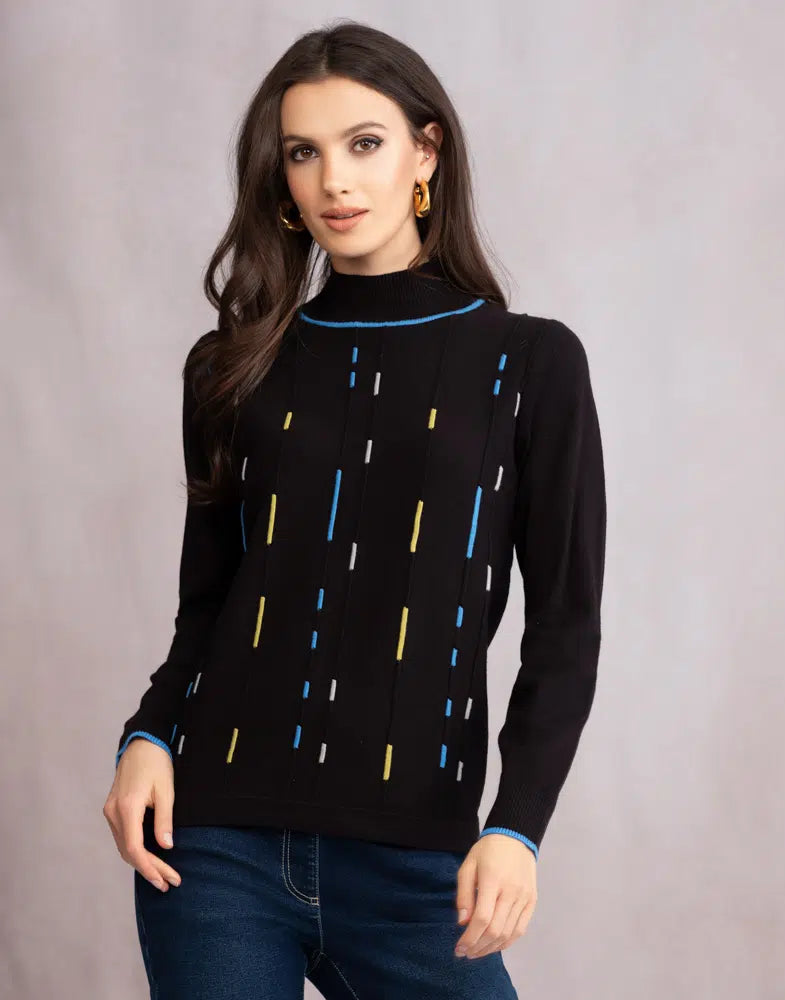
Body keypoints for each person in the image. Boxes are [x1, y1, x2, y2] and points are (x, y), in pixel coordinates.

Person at [102, 19, 606, 1000]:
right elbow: (209, 604)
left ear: (426, 152)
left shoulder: (530, 364)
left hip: (414, 859)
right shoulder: (231, 367)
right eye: (304, 152)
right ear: (282, 179)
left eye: (363, 143)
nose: (334, 180)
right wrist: (147, 738)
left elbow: (565, 628)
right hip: (214, 844)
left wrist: (517, 827)